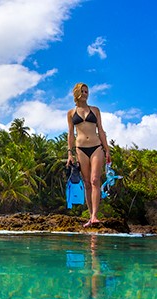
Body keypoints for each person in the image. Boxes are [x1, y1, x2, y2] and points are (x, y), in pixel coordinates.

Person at [66, 83, 111, 227]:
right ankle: (90, 217)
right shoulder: (71, 113)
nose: (85, 93)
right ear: (77, 93)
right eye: (83, 91)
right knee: (86, 183)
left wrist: (107, 149)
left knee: (94, 180)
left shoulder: (95, 110)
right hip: (80, 149)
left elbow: (101, 131)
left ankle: (95, 216)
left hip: (96, 147)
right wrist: (69, 153)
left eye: (87, 91)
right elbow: (70, 134)